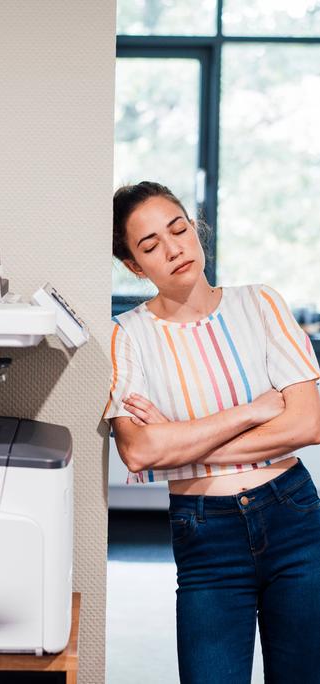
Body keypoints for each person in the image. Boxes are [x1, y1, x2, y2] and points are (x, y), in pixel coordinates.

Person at [101, 180, 320, 684]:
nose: (174, 248)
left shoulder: (260, 303)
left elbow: (307, 423)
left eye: (178, 229)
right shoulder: (125, 335)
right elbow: (138, 452)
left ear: (196, 229)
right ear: (135, 266)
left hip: (293, 516)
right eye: (150, 245)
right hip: (206, 535)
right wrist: (254, 411)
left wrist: (179, 442)